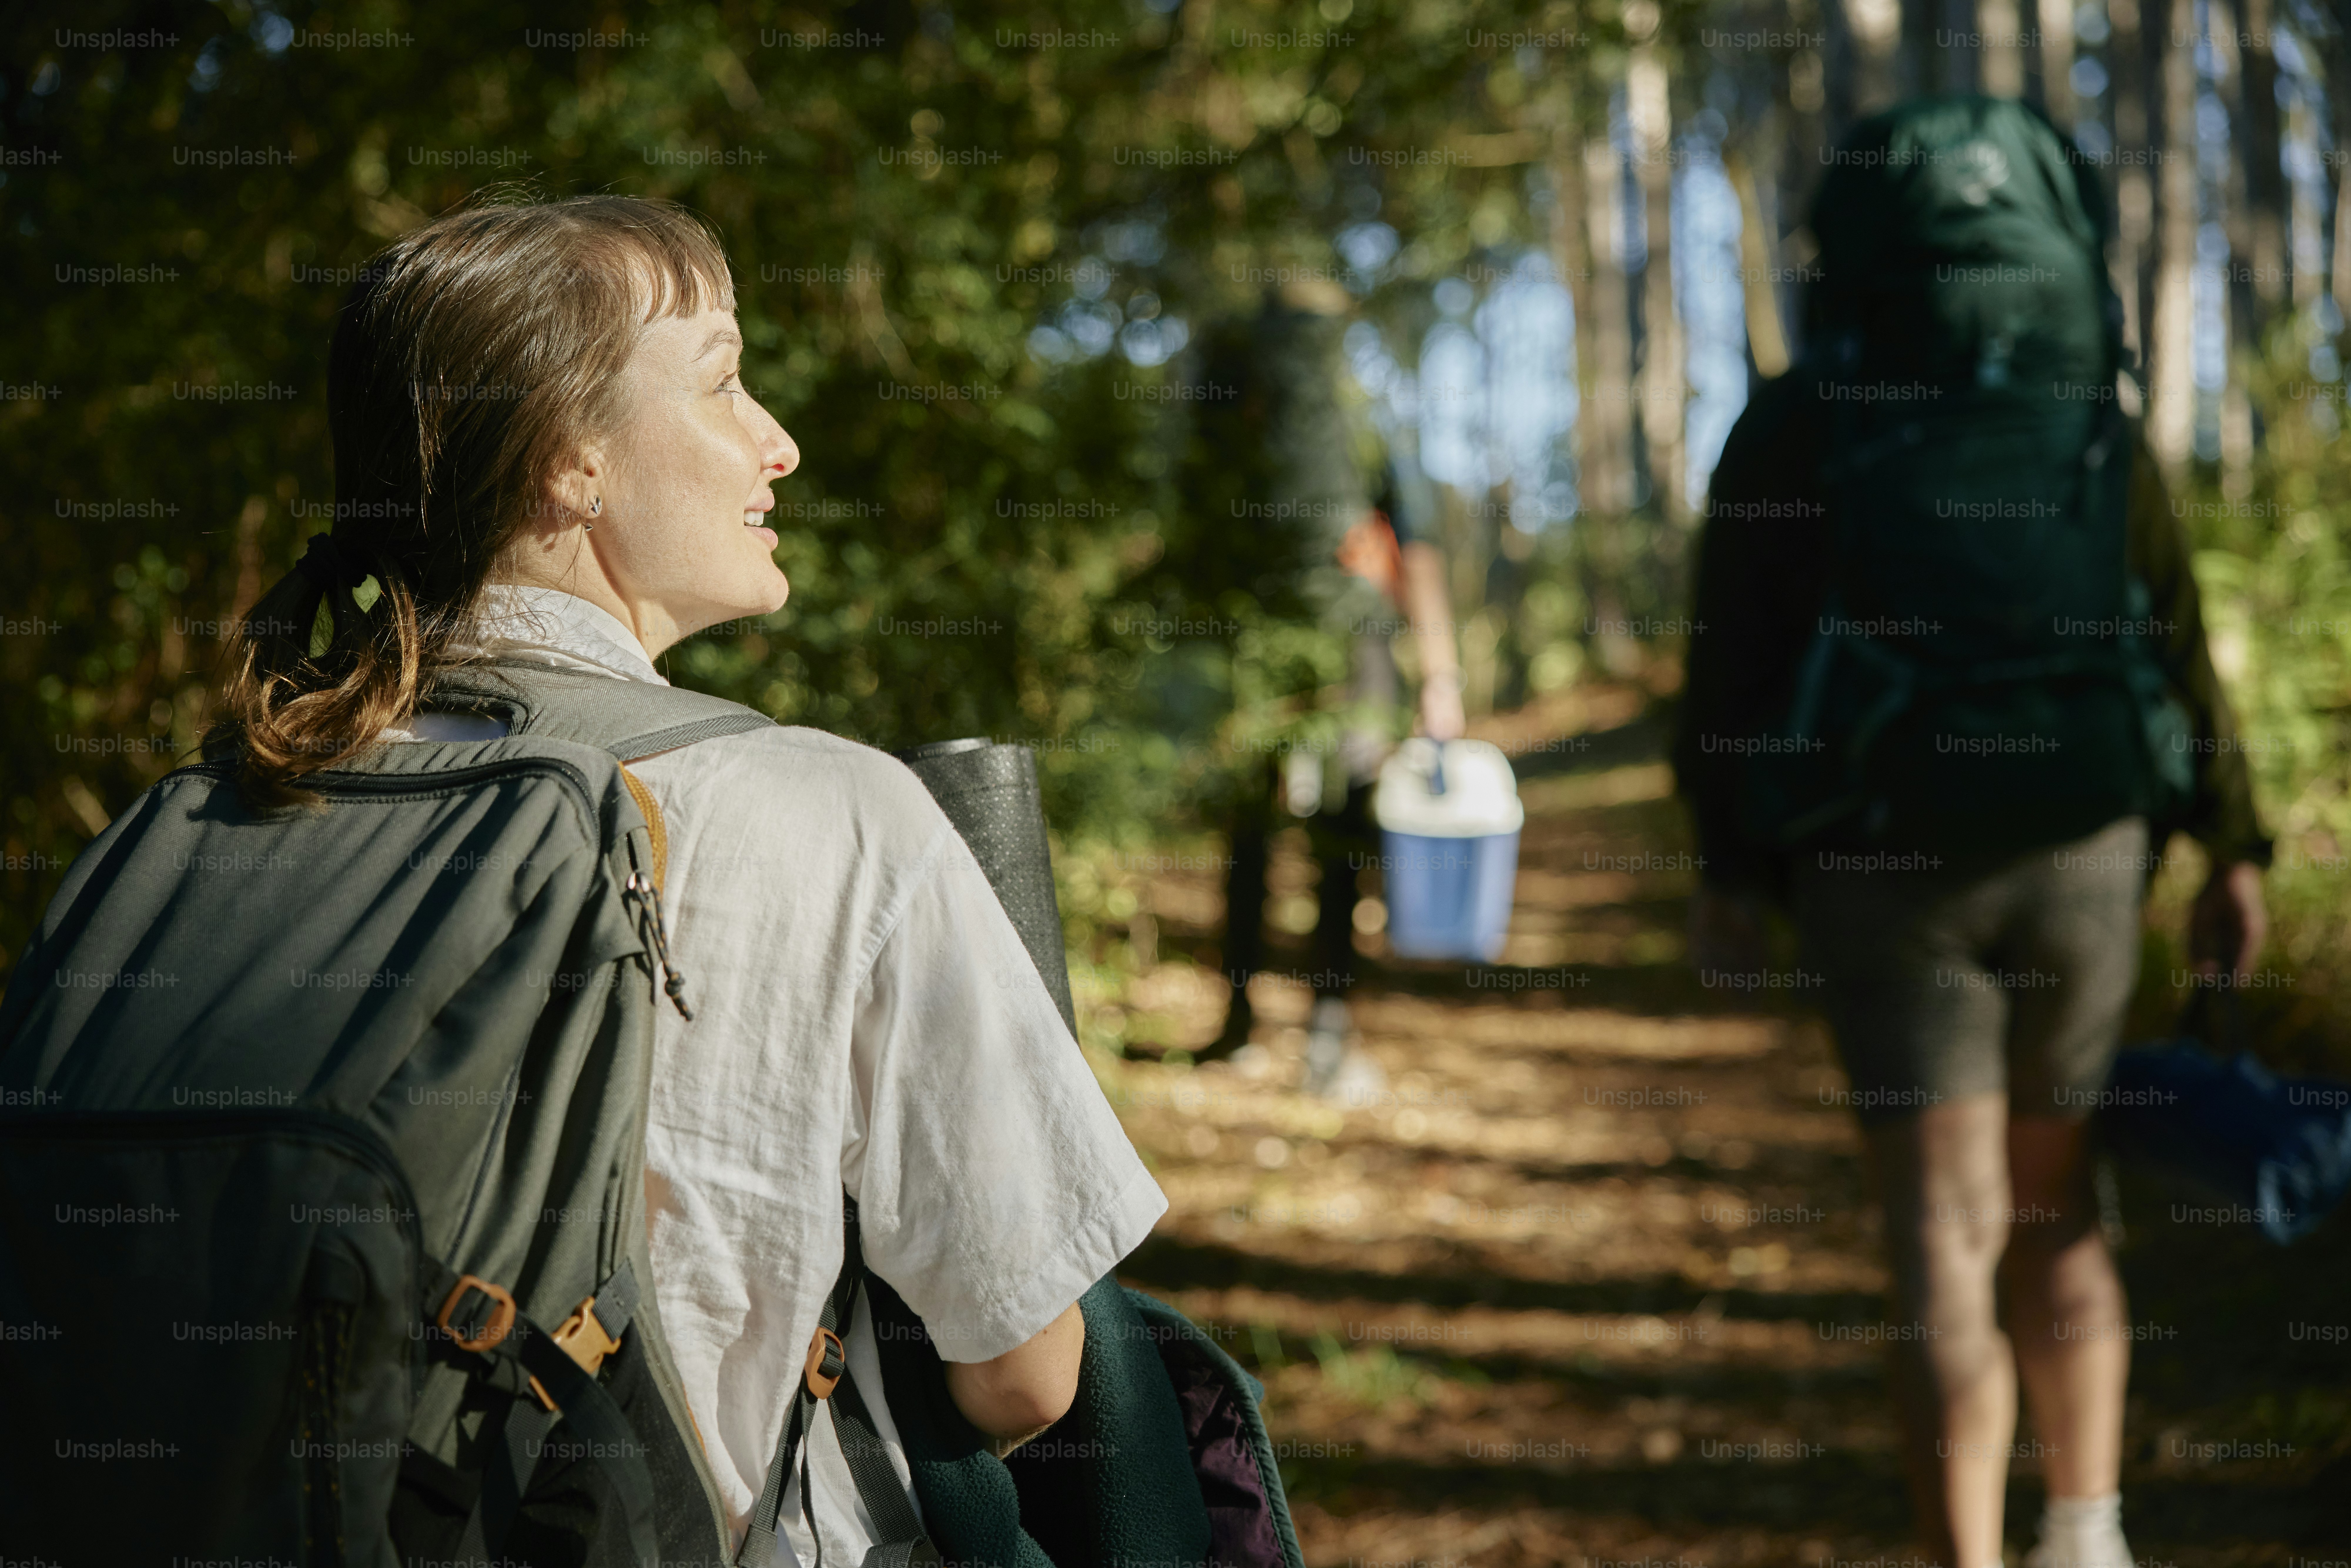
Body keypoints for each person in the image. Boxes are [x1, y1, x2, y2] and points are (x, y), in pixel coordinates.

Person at [216, 195, 1166, 1564]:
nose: (776, 441)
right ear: (568, 464)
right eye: (724, 382)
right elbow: (1025, 1373)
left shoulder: (231, 799)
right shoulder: (830, 813)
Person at [1673, 100, 2268, 1568]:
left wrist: (1724, 869)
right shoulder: (2085, 415)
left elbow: (1729, 661)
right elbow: (2170, 634)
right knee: (2056, 1200)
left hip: (1881, 852)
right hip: (2084, 837)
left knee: (1941, 1233)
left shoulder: (1794, 420)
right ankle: (2085, 1534)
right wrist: (2231, 843)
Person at [1185, 284, 1463, 1095]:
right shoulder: (1356, 410)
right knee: (1342, 840)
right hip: (1354, 646)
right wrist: (1439, 674)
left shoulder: (1230, 403)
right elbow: (1417, 546)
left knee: (1250, 837)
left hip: (1255, 644)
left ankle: (1238, 1024)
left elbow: (1195, 531)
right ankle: (1329, 1043)